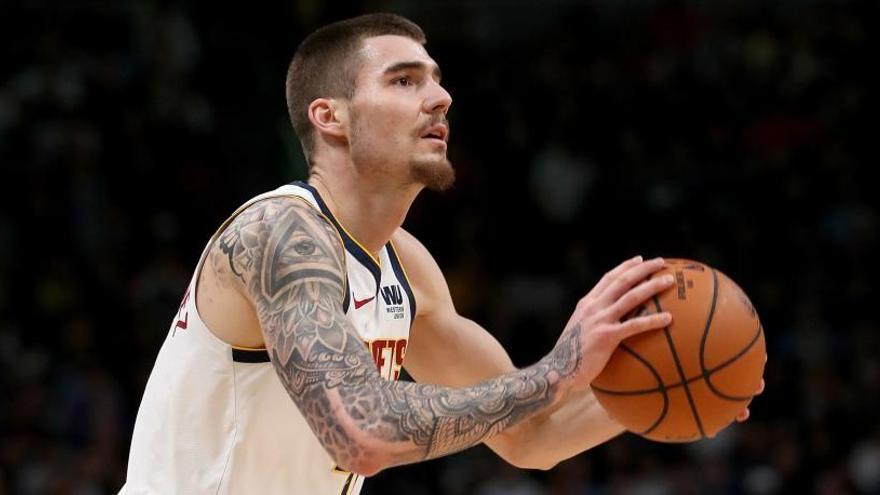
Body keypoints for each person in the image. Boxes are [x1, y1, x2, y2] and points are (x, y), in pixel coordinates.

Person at [119, 13, 755, 494]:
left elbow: (529, 435)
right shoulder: (279, 235)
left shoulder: (408, 269)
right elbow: (361, 433)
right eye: (404, 80)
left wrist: (665, 386)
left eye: (437, 80)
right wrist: (559, 369)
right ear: (330, 116)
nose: (440, 97)